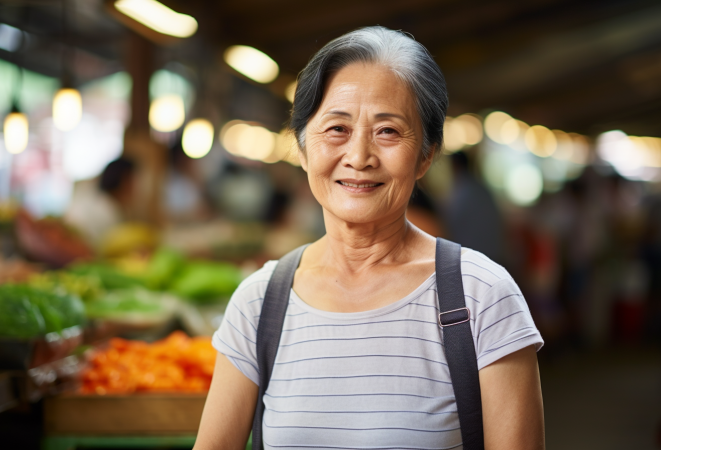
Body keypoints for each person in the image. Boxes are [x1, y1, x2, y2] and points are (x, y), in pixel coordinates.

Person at [196, 27, 545, 450]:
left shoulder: (481, 296)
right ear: (303, 149)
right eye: (337, 128)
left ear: (426, 156)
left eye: (388, 131)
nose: (359, 157)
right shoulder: (258, 303)